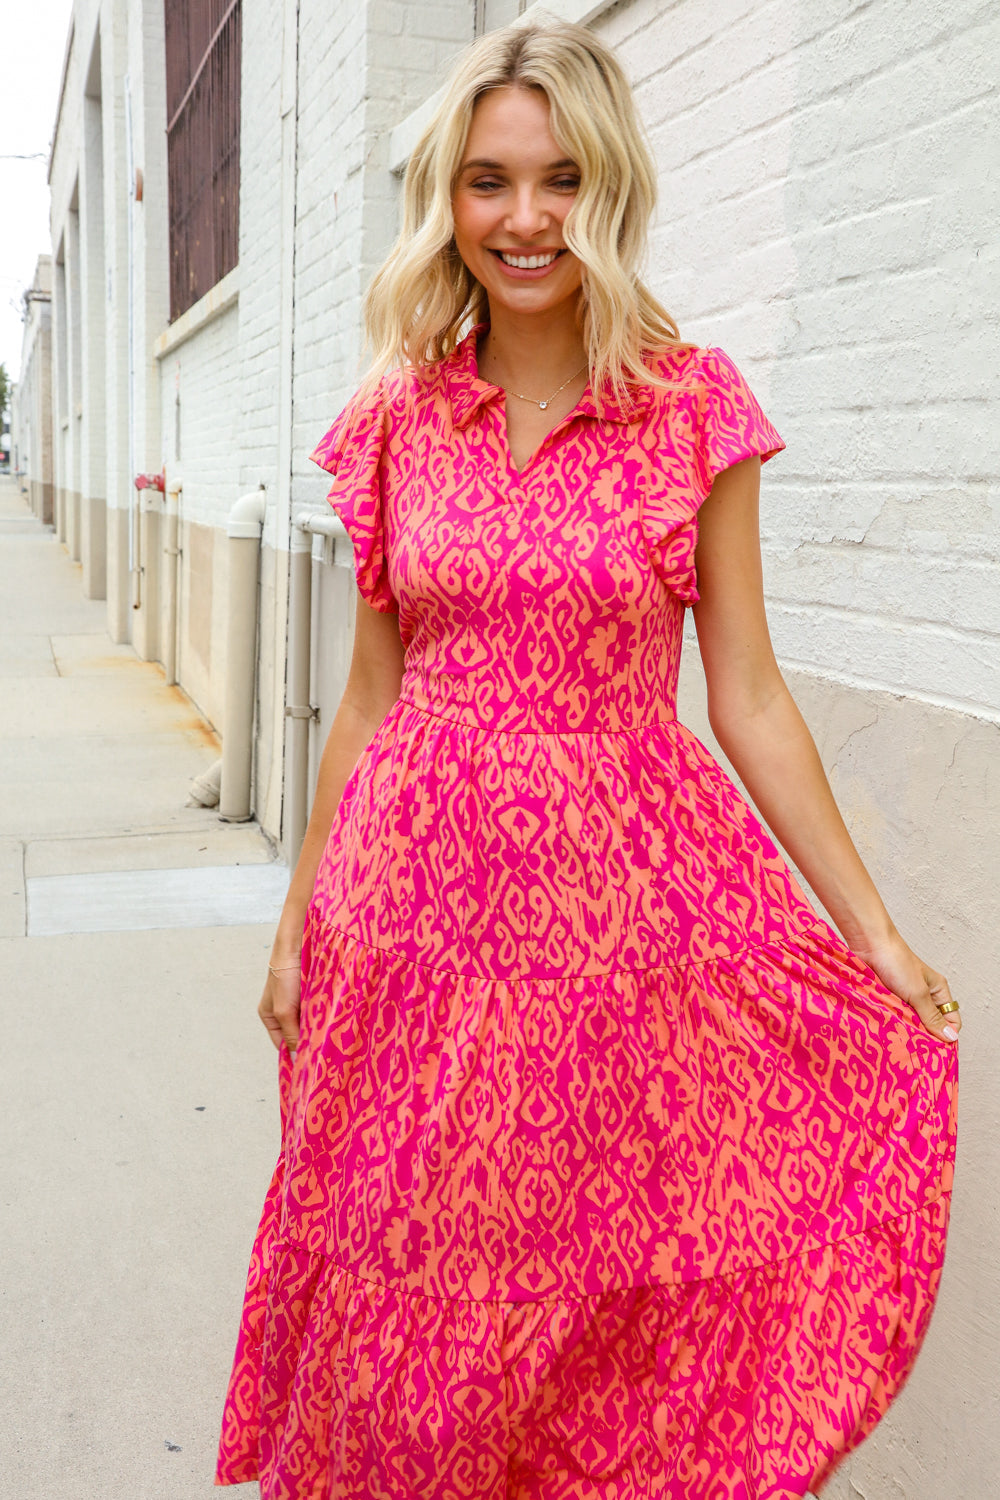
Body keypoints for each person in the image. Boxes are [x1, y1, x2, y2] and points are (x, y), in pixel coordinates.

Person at [216, 19, 959, 1500]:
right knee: (407, 1291)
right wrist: (299, 923)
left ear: (610, 189)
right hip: (411, 925)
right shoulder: (397, 416)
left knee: (593, 1292)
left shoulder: (691, 406)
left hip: (619, 935)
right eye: (489, 181)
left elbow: (748, 695)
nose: (526, 219)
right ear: (447, 197)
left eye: (561, 179)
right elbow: (369, 699)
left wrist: (873, 932)